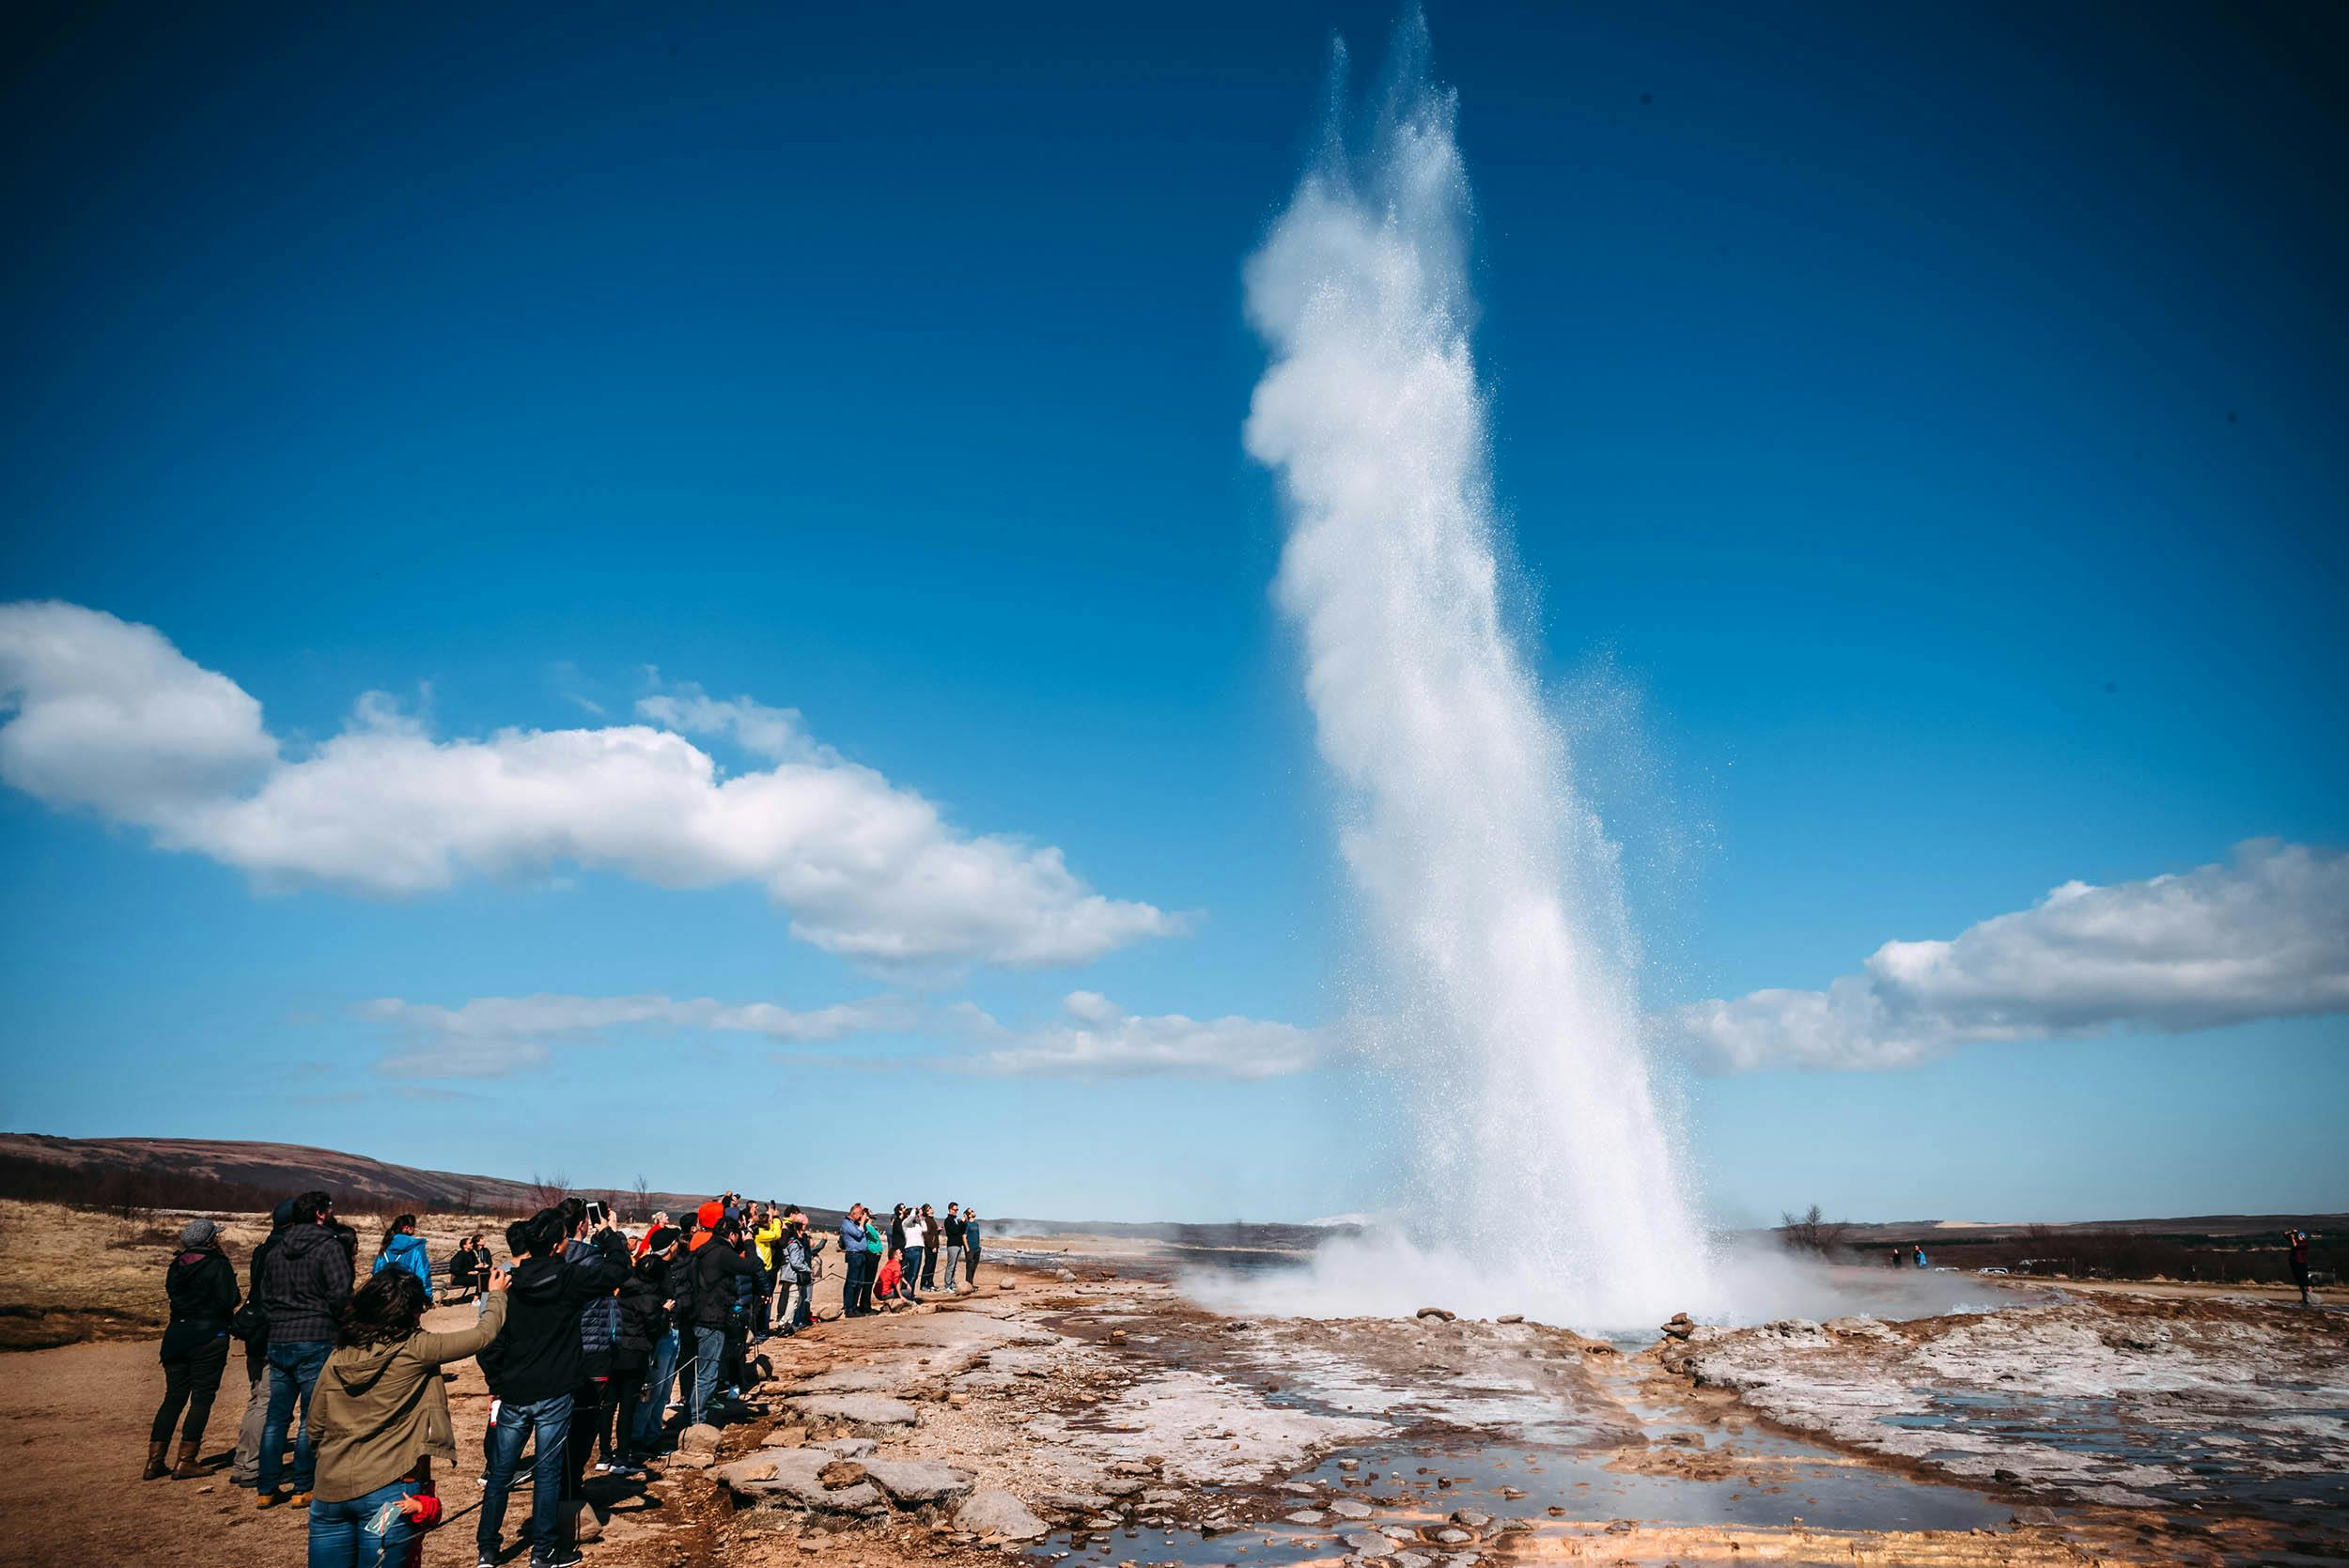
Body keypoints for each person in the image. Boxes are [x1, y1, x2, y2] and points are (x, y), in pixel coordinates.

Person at [306, 1262, 508, 1567]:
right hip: (389, 1492)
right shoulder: (416, 1348)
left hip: (329, 1491)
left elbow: (315, 1424)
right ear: (407, 1312)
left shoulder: (339, 1354)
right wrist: (496, 1295)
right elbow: (483, 1334)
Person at [476, 1206, 630, 1568]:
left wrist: (497, 1380)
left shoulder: (509, 1283)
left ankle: (488, 1548)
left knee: (501, 1471)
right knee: (547, 1472)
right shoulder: (569, 1279)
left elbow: (492, 1340)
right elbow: (619, 1270)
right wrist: (608, 1234)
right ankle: (542, 1552)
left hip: (515, 1389)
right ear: (560, 1245)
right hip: (556, 1389)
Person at [258, 1190, 354, 1508]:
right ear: (320, 1214)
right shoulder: (329, 1247)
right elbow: (341, 1291)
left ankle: (266, 1487)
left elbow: (265, 1295)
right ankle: (302, 1485)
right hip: (315, 1335)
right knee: (310, 1418)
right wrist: (335, 1320)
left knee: (276, 1418)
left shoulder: (275, 1251)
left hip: (279, 1337)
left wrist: (279, 1320)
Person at [148, 1218, 240, 1481]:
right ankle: (186, 1459)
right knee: (201, 1399)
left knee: (173, 1398)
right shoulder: (217, 1264)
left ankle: (155, 1460)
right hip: (209, 1335)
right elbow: (230, 1299)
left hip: (176, 1334)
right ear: (211, 1239)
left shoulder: (176, 1266)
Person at [233, 1196, 300, 1489]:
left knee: (257, 1398)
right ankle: (252, 1467)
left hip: (257, 1331)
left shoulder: (263, 1249)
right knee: (269, 1402)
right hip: (276, 1332)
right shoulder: (287, 1250)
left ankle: (243, 1462)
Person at [686, 1203, 758, 1425]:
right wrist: (749, 1242)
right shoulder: (721, 1253)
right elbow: (751, 1266)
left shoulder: (704, 1248)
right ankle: (697, 1420)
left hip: (697, 1314)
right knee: (708, 1372)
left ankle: (695, 1413)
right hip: (712, 1317)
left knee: (699, 1370)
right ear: (732, 1234)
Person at [630, 1226, 683, 1452]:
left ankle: (652, 1436)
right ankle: (638, 1439)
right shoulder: (652, 1268)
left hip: (672, 1331)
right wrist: (662, 1310)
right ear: (671, 1245)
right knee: (652, 1391)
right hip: (660, 1334)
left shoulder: (672, 1267)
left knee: (663, 1391)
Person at [372, 1216, 434, 1304]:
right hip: (408, 1295)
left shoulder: (385, 1245)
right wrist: (428, 1298)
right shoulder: (416, 1248)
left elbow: (376, 1272)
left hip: (386, 1294)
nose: (414, 1229)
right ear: (407, 1228)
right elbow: (423, 1274)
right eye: (413, 1226)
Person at [838, 1205, 872, 1318]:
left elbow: (863, 1233)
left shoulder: (856, 1224)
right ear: (854, 1213)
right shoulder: (846, 1224)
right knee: (852, 1282)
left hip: (862, 1254)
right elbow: (857, 1234)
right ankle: (848, 1308)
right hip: (854, 1255)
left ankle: (854, 1306)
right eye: (860, 1214)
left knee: (860, 1282)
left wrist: (865, 1221)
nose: (861, 1216)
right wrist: (862, 1222)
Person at [894, 1204, 925, 1305]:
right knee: (909, 1274)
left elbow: (925, 1229)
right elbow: (910, 1217)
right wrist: (914, 1210)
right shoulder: (905, 1224)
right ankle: (908, 1296)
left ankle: (910, 1294)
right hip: (910, 1249)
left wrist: (921, 1218)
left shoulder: (917, 1225)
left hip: (919, 1249)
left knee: (914, 1274)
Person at [940, 1203, 964, 1297]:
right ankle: (947, 1285)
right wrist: (961, 1223)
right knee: (951, 1265)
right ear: (950, 1209)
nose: (956, 1211)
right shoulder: (948, 1220)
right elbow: (955, 1231)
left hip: (958, 1244)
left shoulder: (955, 1220)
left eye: (957, 1210)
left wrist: (962, 1223)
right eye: (955, 1209)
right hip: (952, 1244)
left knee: (954, 1266)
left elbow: (960, 1231)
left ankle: (952, 1283)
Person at [2289, 1229, 2315, 1307]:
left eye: (2300, 1236)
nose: (2299, 1237)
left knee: (2305, 1280)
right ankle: (2305, 1297)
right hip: (2297, 1263)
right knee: (2300, 1281)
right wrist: (2292, 1232)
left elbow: (2295, 1245)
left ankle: (2310, 1297)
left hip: (2301, 1263)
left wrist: (2293, 1238)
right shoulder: (2300, 1242)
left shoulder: (2304, 1243)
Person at [919, 1204, 941, 1292]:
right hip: (930, 1247)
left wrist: (938, 1230)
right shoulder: (927, 1220)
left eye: (931, 1208)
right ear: (926, 1212)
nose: (932, 1209)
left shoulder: (932, 1219)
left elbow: (933, 1234)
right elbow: (927, 1236)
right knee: (928, 1266)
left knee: (932, 1266)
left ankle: (930, 1283)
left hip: (935, 1246)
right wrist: (932, 1246)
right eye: (929, 1209)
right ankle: (923, 1284)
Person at [962, 1209, 983, 1290]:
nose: (974, 1212)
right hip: (970, 1248)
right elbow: (964, 1237)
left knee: (974, 1266)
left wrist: (979, 1246)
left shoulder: (976, 1224)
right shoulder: (967, 1224)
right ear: (969, 1215)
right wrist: (967, 1248)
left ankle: (971, 1284)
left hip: (977, 1248)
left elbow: (977, 1235)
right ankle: (968, 1284)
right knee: (969, 1267)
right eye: (972, 1211)